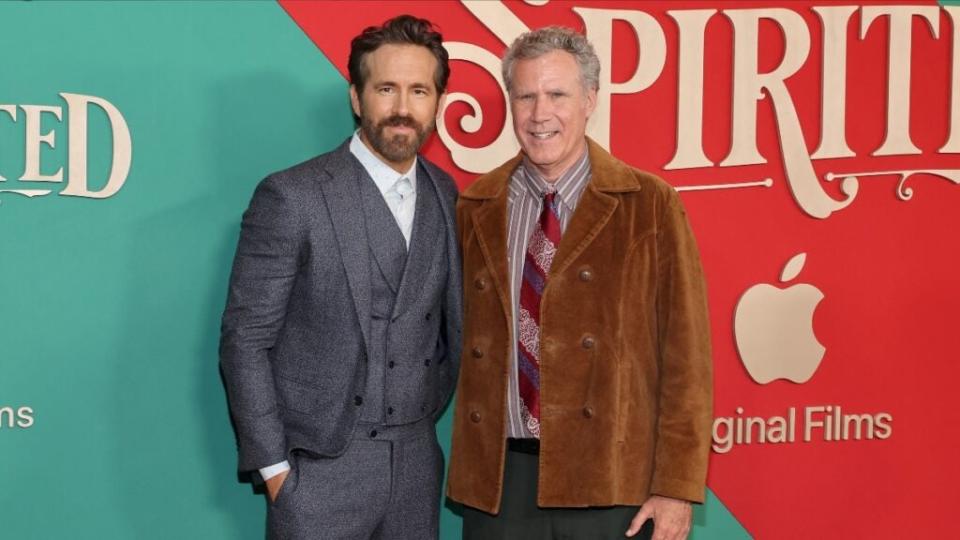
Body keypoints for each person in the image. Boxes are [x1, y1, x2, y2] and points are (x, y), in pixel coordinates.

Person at [446, 26, 712, 540]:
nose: (540, 114)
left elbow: (687, 359)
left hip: (612, 484)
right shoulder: (475, 206)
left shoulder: (648, 204)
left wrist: (676, 487)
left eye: (557, 95)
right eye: (525, 96)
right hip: (498, 485)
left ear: (590, 99)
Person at [219, 15, 461, 540]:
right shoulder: (293, 196)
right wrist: (277, 471)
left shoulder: (448, 196)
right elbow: (246, 340)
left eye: (419, 90)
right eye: (385, 88)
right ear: (356, 97)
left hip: (418, 468)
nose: (402, 108)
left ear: (437, 102)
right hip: (318, 473)